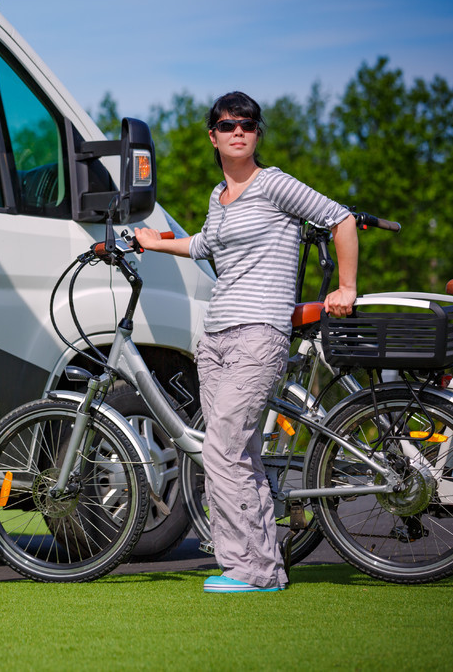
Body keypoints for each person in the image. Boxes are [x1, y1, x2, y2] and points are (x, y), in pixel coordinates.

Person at [134, 91, 358, 593]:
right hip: (214, 338)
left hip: (260, 332)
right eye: (228, 125)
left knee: (223, 448)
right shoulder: (219, 197)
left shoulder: (274, 184)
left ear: (257, 134)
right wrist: (155, 242)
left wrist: (347, 287)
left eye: (248, 125)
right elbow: (203, 245)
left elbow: (340, 219)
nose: (239, 131)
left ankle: (249, 571)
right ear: (212, 136)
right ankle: (262, 568)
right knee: (240, 455)